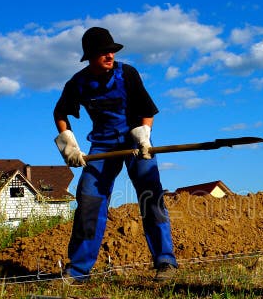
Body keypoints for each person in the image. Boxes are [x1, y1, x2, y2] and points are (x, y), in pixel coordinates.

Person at [53, 26, 178, 284]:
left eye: (112, 51)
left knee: (150, 195)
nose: (110, 56)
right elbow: (60, 113)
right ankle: (78, 270)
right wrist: (69, 146)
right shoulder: (78, 83)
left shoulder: (128, 74)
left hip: (135, 139)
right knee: (89, 199)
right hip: (102, 145)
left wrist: (144, 135)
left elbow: (147, 110)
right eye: (103, 52)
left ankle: (165, 261)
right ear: (90, 56)